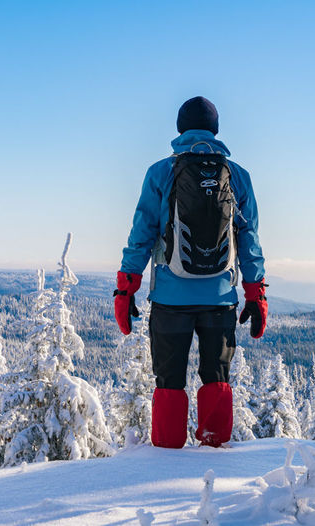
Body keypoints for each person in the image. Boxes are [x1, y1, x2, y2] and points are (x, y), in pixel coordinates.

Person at [114, 96, 267, 448]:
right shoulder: (237, 176)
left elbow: (142, 233)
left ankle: (167, 456)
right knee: (216, 376)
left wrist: (126, 288)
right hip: (220, 299)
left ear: (180, 128)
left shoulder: (161, 172)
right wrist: (255, 293)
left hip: (170, 298)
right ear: (215, 129)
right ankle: (213, 455)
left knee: (168, 380)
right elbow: (249, 238)